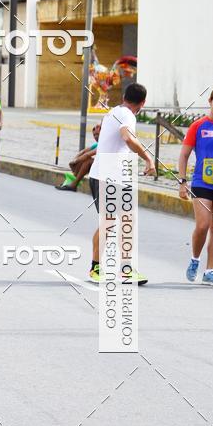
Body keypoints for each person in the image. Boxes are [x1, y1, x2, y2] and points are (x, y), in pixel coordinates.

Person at [88, 83, 155, 284]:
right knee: (117, 222)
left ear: (124, 96)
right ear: (142, 103)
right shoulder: (127, 115)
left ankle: (111, 269)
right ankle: (109, 269)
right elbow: (127, 138)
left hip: (106, 174)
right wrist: (148, 158)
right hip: (109, 176)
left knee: (116, 222)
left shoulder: (113, 112)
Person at [178, 86, 213, 286]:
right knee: (202, 226)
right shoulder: (198, 126)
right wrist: (182, 182)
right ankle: (195, 259)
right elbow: (184, 155)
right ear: (211, 101)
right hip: (201, 183)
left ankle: (209, 272)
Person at [57, 123, 101, 191]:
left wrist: (75, 161)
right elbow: (83, 152)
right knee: (83, 159)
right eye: (94, 135)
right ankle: (71, 181)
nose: (95, 137)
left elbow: (88, 155)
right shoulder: (97, 144)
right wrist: (74, 160)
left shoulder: (103, 144)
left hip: (108, 167)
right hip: (100, 166)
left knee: (87, 160)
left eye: (97, 134)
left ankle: (74, 184)